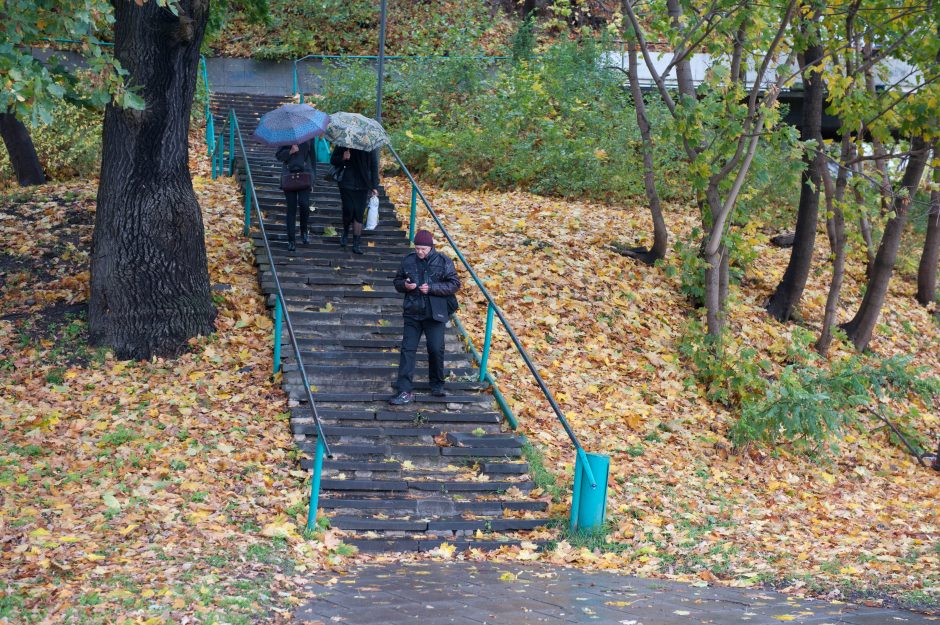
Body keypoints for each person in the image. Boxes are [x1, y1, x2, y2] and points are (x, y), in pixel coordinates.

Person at [389, 230, 461, 405]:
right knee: (408, 350)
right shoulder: (408, 260)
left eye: (423, 249)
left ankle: (437, 385)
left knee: (436, 348)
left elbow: (454, 284)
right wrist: (405, 285)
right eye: (417, 248)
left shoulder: (443, 261)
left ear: (431, 247)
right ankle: (404, 390)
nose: (420, 252)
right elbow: (397, 281)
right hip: (412, 313)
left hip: (434, 313)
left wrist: (432, 288)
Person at [330, 145, 379, 254]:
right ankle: (346, 232)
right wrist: (343, 157)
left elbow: (374, 165)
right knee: (348, 209)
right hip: (346, 182)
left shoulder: (369, 145)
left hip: (363, 184)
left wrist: (374, 186)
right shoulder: (345, 142)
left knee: (359, 213)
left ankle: (356, 243)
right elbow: (333, 160)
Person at [275, 140, 317, 252]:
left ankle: (304, 231)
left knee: (304, 204)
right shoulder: (286, 136)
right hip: (289, 175)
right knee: (291, 209)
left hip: (305, 175)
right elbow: (278, 156)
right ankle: (291, 240)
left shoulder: (309, 137)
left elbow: (313, 159)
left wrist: (313, 179)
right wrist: (290, 151)